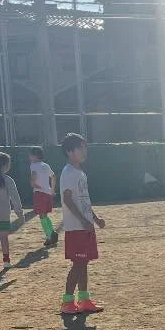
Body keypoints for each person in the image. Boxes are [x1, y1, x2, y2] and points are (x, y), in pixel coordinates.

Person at [58, 133, 104, 316]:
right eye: (80, 148)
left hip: (84, 227)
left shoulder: (79, 173)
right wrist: (84, 220)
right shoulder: (69, 172)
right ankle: (67, 301)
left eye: (85, 147)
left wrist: (94, 218)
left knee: (84, 263)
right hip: (76, 228)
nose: (84, 151)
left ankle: (84, 299)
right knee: (78, 264)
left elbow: (84, 201)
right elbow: (67, 200)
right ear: (69, 152)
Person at [29, 145, 59, 248]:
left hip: (39, 193)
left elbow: (33, 176)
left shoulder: (33, 165)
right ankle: (52, 233)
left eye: (31, 155)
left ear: (35, 156)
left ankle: (49, 236)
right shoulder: (46, 165)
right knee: (45, 215)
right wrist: (52, 189)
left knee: (42, 216)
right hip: (47, 193)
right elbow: (54, 176)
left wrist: (33, 183)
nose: (30, 157)